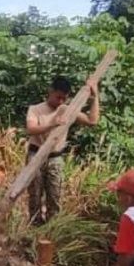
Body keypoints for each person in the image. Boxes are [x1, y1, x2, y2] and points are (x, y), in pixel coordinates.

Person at [24, 75, 100, 224]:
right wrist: (53, 124)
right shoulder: (35, 109)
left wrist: (95, 96)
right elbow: (31, 129)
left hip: (55, 158)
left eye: (63, 98)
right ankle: (34, 230)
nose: (60, 101)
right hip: (36, 155)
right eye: (58, 97)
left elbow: (93, 121)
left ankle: (52, 230)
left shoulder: (67, 109)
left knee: (54, 196)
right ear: (50, 91)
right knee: (35, 197)